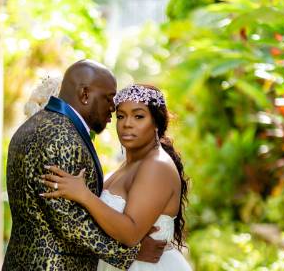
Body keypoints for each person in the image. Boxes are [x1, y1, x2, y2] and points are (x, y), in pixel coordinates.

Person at [2, 61, 167, 270]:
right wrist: (130, 254)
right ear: (85, 94)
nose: (113, 108)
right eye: (109, 98)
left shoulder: (34, 124)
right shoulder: (63, 137)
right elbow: (67, 218)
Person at [41, 84, 192, 270]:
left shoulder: (157, 165)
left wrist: (84, 195)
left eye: (139, 116)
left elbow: (131, 233)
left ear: (156, 123)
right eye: (121, 116)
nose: (127, 123)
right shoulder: (130, 164)